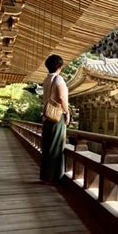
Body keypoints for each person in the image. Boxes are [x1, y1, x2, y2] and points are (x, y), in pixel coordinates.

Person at [40, 54, 70, 184]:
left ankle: (46, 175)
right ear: (59, 66)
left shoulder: (46, 79)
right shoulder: (58, 79)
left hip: (47, 116)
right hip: (57, 116)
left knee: (47, 145)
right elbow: (61, 98)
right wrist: (67, 112)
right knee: (56, 146)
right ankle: (54, 177)